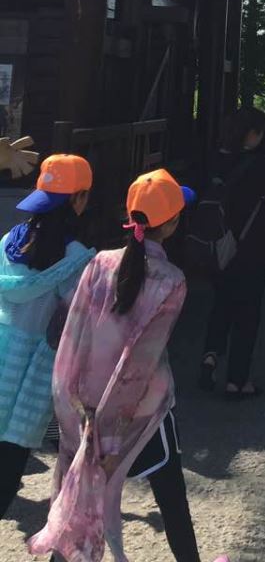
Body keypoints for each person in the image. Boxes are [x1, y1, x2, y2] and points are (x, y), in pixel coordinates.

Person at [28, 169, 226, 562]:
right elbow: (139, 364)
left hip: (87, 407)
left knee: (76, 500)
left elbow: (68, 334)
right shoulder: (172, 281)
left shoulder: (99, 262)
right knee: (172, 498)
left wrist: (73, 409)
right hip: (139, 413)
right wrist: (115, 439)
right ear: (172, 223)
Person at [0, 153, 94, 518]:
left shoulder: (7, 243)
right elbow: (74, 322)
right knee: (12, 455)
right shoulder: (76, 258)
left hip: (2, 350)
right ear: (79, 199)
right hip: (34, 369)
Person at [199, 108, 265, 399]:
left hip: (218, 245)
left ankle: (210, 356)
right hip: (252, 247)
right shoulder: (260, 164)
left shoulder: (215, 159)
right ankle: (237, 381)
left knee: (221, 304)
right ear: (251, 134)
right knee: (247, 314)